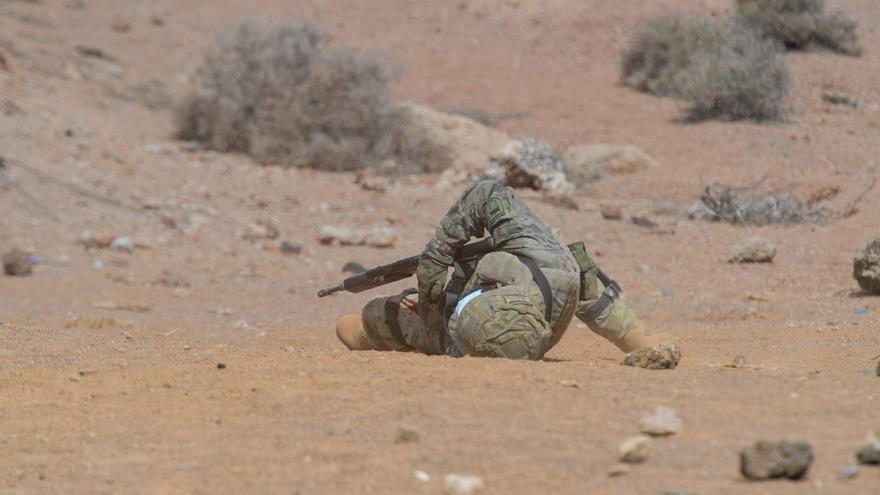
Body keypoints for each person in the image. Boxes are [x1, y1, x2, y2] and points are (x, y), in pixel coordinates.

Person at [335, 180, 679, 366]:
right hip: (531, 288)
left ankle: (372, 339)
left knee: (368, 318)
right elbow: (486, 194)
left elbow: (438, 328)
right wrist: (636, 340)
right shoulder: (547, 261)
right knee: (572, 272)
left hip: (453, 329)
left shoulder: (461, 346)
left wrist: (431, 307)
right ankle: (639, 336)